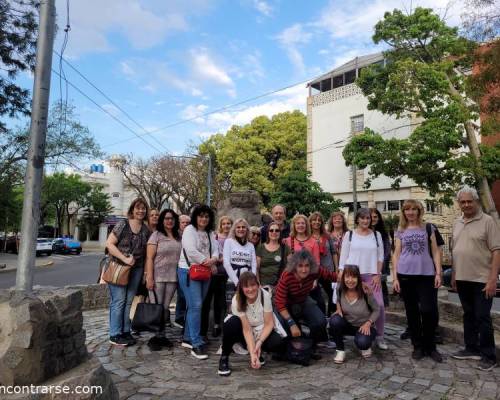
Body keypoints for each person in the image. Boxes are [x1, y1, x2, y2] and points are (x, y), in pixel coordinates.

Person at [451, 186, 500, 371]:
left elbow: (496, 250)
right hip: (462, 278)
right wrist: (454, 274)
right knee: (468, 315)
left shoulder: (488, 221)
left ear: (476, 201)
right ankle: (471, 348)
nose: (466, 205)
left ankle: (489, 355)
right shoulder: (457, 223)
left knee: (482, 317)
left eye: (469, 201)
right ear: (459, 204)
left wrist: (493, 278)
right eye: (462, 202)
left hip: (482, 279)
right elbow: (456, 251)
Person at [392, 200, 443, 362]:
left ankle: (431, 346)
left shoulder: (428, 228)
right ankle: (418, 346)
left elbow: (435, 251)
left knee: (429, 310)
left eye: (414, 209)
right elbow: (396, 255)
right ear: (404, 212)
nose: (411, 212)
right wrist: (394, 278)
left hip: (426, 275)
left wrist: (438, 273)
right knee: (412, 312)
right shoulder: (400, 230)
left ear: (419, 211)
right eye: (407, 209)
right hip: (406, 275)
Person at [218, 272, 286, 376]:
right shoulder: (237, 300)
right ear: (241, 288)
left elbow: (269, 323)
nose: (250, 289)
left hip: (261, 328)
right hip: (243, 330)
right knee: (231, 324)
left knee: (277, 341)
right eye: (246, 286)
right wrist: (252, 355)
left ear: (258, 285)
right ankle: (224, 357)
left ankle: (259, 352)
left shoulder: (265, 295)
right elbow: (247, 330)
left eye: (253, 285)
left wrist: (259, 343)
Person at [339, 208, 387, 350]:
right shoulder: (350, 235)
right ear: (357, 219)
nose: (366, 221)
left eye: (368, 218)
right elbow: (343, 256)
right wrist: (341, 273)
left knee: (379, 306)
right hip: (353, 275)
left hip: (371, 275)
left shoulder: (377, 235)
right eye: (363, 218)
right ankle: (350, 331)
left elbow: (380, 256)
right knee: (349, 305)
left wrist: (377, 274)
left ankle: (379, 336)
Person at [106, 198, 151, 346]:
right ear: (132, 210)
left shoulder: (145, 230)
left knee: (128, 302)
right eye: (138, 208)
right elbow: (109, 244)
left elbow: (145, 254)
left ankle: (125, 331)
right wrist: (124, 259)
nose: (140, 211)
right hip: (119, 267)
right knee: (118, 301)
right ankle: (114, 334)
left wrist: (145, 273)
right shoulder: (123, 224)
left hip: (137, 269)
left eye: (143, 208)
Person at [178, 205, 219, 359]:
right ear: (195, 217)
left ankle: (188, 337)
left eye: (207, 216)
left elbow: (215, 249)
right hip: (189, 271)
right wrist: (207, 261)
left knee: (195, 305)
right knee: (196, 305)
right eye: (201, 216)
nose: (204, 219)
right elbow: (190, 250)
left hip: (204, 271)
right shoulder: (189, 230)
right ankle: (196, 343)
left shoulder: (210, 233)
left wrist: (213, 259)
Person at [274, 250, 337, 350]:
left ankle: (314, 342)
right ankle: (289, 345)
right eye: (300, 266)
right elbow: (280, 303)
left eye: (307, 266)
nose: (304, 270)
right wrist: (291, 323)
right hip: (285, 304)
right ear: (295, 266)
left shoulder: (315, 270)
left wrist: (356, 280)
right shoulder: (287, 276)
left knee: (320, 321)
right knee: (284, 326)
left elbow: (332, 276)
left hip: (303, 299)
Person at [144, 209, 182, 347]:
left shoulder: (179, 236)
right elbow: (149, 258)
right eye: (166, 218)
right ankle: (156, 337)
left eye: (171, 218)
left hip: (173, 277)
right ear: (162, 220)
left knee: (165, 308)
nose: (169, 221)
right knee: (157, 307)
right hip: (158, 276)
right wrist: (149, 277)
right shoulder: (156, 235)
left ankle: (162, 335)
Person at [329, 265, 380, 363]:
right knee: (334, 320)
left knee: (362, 343)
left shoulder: (365, 291)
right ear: (343, 278)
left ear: (358, 278)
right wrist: (338, 308)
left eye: (354, 277)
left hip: (364, 327)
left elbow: (376, 310)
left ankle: (364, 344)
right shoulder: (340, 288)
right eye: (347, 277)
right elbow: (338, 300)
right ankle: (340, 350)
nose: (350, 280)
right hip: (348, 325)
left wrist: (368, 323)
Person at [201, 216, 232, 339]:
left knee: (221, 301)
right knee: (209, 299)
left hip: (227, 274)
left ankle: (218, 324)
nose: (226, 226)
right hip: (215, 272)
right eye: (224, 223)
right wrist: (220, 259)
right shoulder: (215, 237)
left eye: (228, 223)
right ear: (220, 225)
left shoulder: (233, 238)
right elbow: (212, 253)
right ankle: (208, 327)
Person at [310, 211, 336, 316]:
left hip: (328, 270)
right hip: (314, 271)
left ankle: (330, 315)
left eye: (319, 220)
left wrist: (336, 269)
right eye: (314, 220)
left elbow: (334, 252)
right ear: (310, 222)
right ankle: (319, 315)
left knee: (331, 293)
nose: (317, 222)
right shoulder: (307, 236)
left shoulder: (327, 236)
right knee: (316, 296)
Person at [223, 218, 257, 286]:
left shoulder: (250, 245)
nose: (241, 229)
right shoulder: (229, 242)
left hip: (248, 281)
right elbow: (226, 263)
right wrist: (237, 282)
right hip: (233, 280)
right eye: (238, 227)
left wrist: (252, 279)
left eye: (243, 227)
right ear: (234, 230)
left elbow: (254, 264)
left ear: (247, 229)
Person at [256, 222, 290, 288]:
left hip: (281, 286)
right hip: (263, 286)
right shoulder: (261, 247)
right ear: (268, 233)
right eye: (271, 230)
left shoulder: (285, 248)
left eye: (277, 230)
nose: (274, 232)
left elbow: (291, 266)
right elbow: (256, 268)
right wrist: (258, 284)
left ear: (280, 233)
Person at [369, 208, 391, 307]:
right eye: (370, 217)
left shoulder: (382, 233)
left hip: (380, 267)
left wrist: (381, 265)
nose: (373, 219)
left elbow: (387, 250)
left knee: (381, 293)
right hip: (367, 268)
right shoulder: (362, 232)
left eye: (375, 217)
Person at [174, 214, 190, 329]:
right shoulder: (175, 235)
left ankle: (182, 317)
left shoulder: (191, 234)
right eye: (183, 222)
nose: (185, 224)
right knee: (180, 294)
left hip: (185, 267)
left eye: (187, 223)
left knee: (183, 293)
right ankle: (178, 316)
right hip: (174, 267)